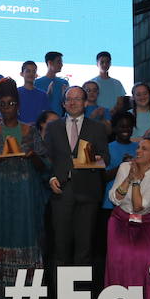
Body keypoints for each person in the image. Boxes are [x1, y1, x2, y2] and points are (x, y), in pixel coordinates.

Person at [0, 78, 48, 299]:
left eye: (11, 104)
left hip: (26, 197)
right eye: (2, 104)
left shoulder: (31, 131)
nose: (6, 108)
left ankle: (27, 293)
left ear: (18, 105)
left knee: (26, 236)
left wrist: (33, 156)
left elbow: (45, 165)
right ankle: (0, 293)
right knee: (0, 235)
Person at [45, 86, 110, 270]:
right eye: (69, 99)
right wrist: (51, 178)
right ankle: (61, 296)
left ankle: (81, 295)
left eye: (77, 98)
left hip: (88, 192)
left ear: (86, 102)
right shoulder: (53, 127)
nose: (73, 102)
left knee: (84, 248)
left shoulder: (97, 127)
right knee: (60, 247)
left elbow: (106, 157)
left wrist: (94, 160)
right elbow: (46, 158)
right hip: (61, 192)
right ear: (64, 104)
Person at [105, 137, 150, 299]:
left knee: (146, 261)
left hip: (147, 223)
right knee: (118, 259)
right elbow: (114, 198)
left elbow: (139, 207)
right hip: (120, 219)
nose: (138, 151)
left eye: (144, 149)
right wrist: (130, 177)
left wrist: (137, 181)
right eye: (139, 147)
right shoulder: (125, 167)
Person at [98, 112, 138, 284]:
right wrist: (122, 166)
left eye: (129, 126)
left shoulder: (139, 148)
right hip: (110, 207)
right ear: (114, 128)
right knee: (112, 250)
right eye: (121, 126)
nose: (125, 130)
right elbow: (102, 177)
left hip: (134, 207)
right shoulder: (107, 148)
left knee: (133, 247)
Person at [35, 51, 69, 116]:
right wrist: (46, 95)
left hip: (60, 120)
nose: (61, 65)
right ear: (50, 63)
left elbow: (67, 106)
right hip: (42, 120)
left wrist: (65, 97)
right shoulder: (37, 83)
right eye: (59, 62)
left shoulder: (64, 83)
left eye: (61, 62)